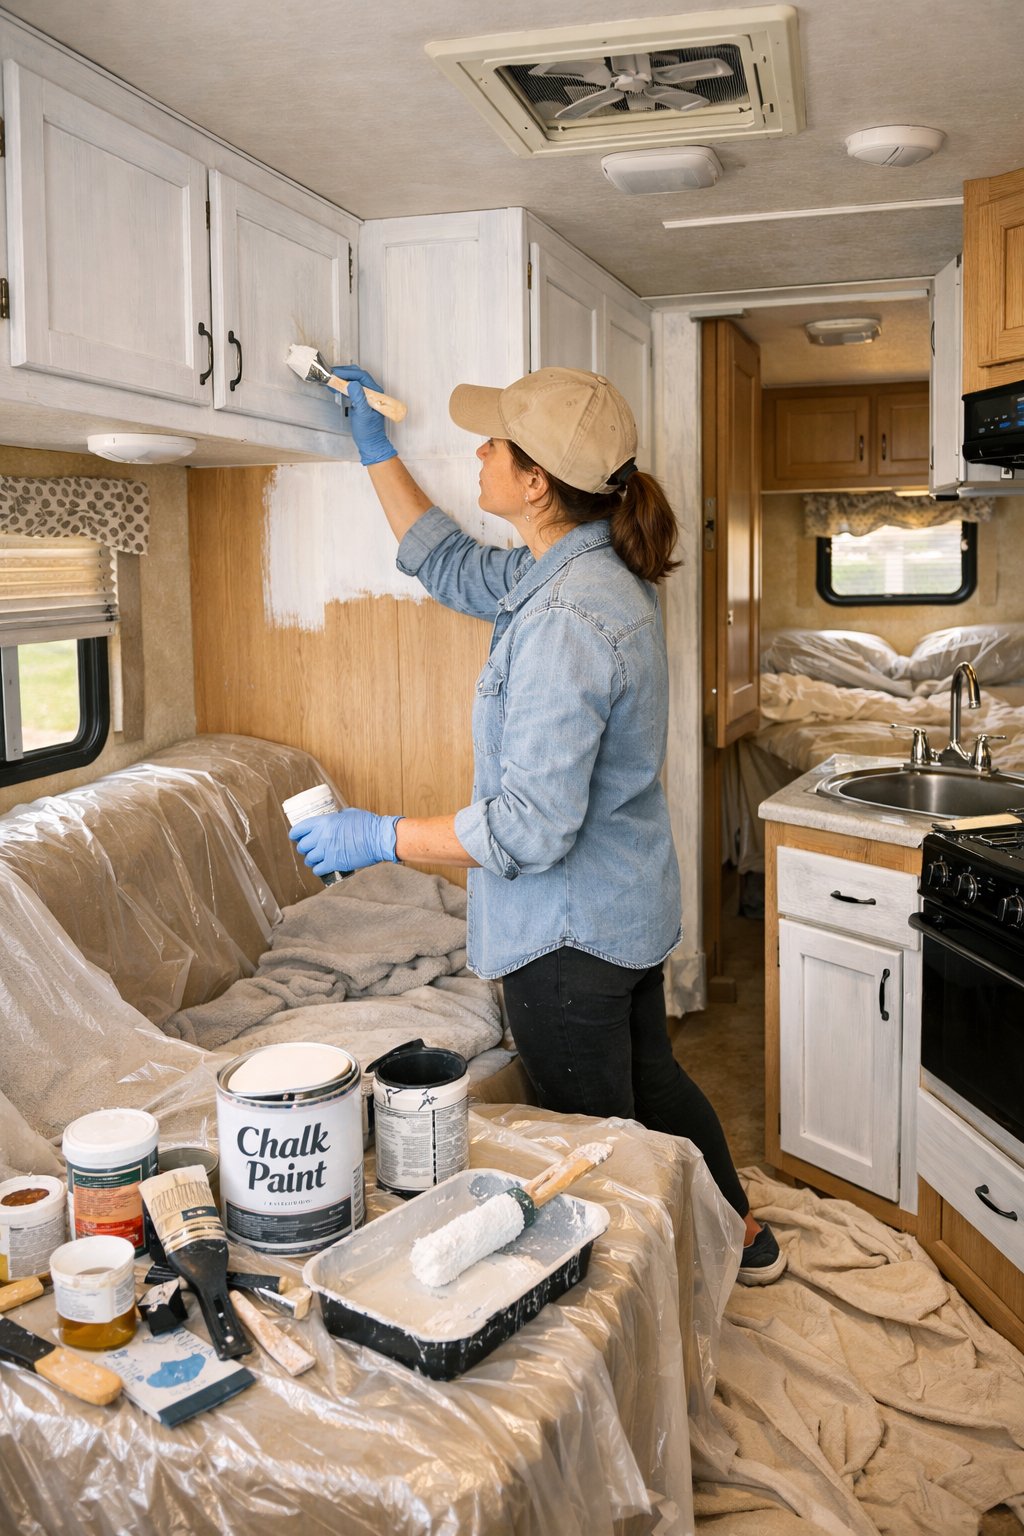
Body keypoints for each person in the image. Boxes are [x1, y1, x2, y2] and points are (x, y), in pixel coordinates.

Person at [289, 364, 785, 1286]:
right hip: (622, 911)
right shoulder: (584, 570)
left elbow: (527, 829)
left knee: (594, 1149)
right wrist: (374, 449)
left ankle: (636, 1309)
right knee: (654, 1082)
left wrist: (377, 836)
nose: (478, 450)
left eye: (496, 442)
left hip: (567, 939)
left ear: (535, 485)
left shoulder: (565, 617)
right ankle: (742, 1232)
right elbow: (451, 565)